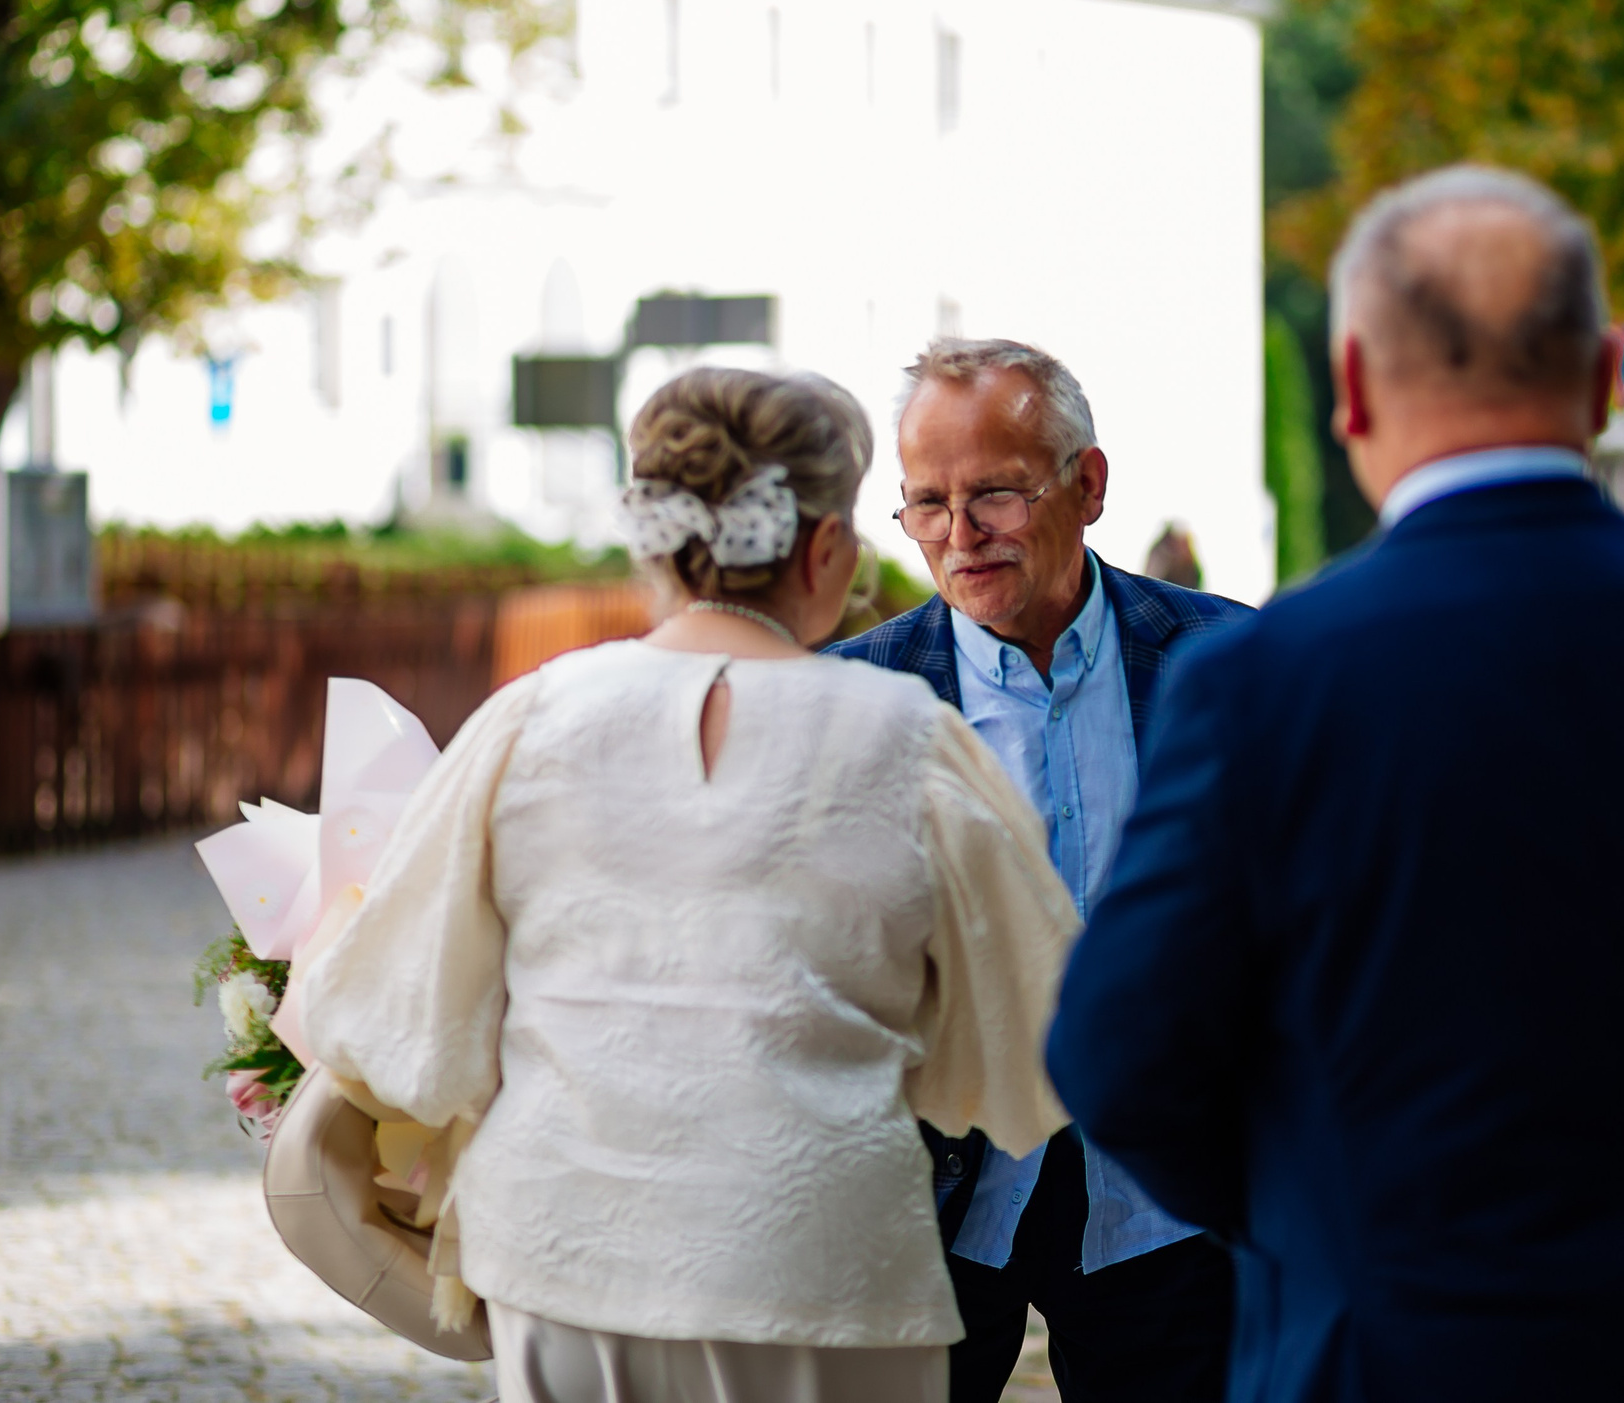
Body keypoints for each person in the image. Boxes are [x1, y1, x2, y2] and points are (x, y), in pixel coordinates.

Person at [1045, 164, 1624, 1402]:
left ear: (1349, 388)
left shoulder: (1259, 683)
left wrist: (1317, 1206)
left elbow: (1117, 1052)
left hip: (1396, 1340)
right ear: (1595, 380)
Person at [298, 367, 1083, 1403]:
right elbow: (1036, 1044)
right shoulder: (911, 745)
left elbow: (386, 1022)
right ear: (828, 549)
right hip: (822, 1265)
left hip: (568, 1261)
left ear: (650, 542)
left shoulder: (528, 724)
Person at [828, 336, 1248, 1403]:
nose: (958, 537)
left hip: (1166, 1199)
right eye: (927, 504)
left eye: (996, 496)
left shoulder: (1228, 667)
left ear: (1088, 485)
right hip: (929, 1203)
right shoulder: (846, 702)